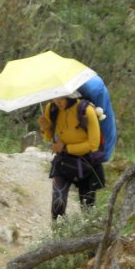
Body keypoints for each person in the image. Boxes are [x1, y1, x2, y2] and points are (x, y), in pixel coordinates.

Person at [39, 93, 105, 221]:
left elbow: (94, 145)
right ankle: (58, 238)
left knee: (88, 210)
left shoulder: (87, 111)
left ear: (70, 95)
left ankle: (87, 236)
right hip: (63, 162)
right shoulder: (51, 109)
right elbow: (49, 137)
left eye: (61, 98)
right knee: (58, 203)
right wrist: (45, 128)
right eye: (55, 97)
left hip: (86, 164)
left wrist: (65, 148)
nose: (58, 102)